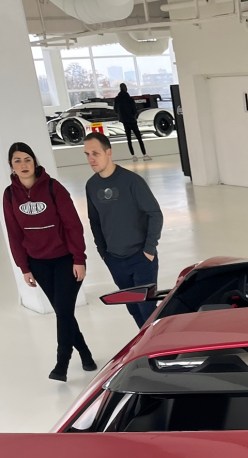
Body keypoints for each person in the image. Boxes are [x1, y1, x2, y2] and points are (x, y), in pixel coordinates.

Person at [3, 142, 96, 382]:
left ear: (35, 162)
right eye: (17, 160)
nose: (23, 165)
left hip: (66, 261)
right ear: (11, 165)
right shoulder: (9, 195)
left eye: (27, 159)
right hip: (39, 264)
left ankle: (61, 363)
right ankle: (85, 352)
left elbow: (73, 225)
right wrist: (24, 268)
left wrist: (79, 258)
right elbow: (14, 234)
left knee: (63, 312)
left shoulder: (54, 187)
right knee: (64, 312)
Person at [84, 132, 164, 330]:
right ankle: (146, 342)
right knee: (133, 308)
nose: (91, 159)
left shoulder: (132, 181)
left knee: (147, 309)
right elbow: (95, 222)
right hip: (115, 260)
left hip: (141, 258)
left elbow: (155, 214)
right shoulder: (91, 186)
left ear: (108, 152)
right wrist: (104, 253)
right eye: (87, 154)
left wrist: (149, 249)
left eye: (95, 153)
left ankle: (157, 344)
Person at [113, 83, 151, 162]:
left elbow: (116, 110)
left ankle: (133, 156)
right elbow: (134, 110)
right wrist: (133, 116)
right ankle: (144, 154)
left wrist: (122, 116)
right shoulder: (129, 98)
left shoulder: (117, 99)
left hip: (124, 121)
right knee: (139, 138)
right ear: (126, 88)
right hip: (132, 120)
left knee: (129, 139)